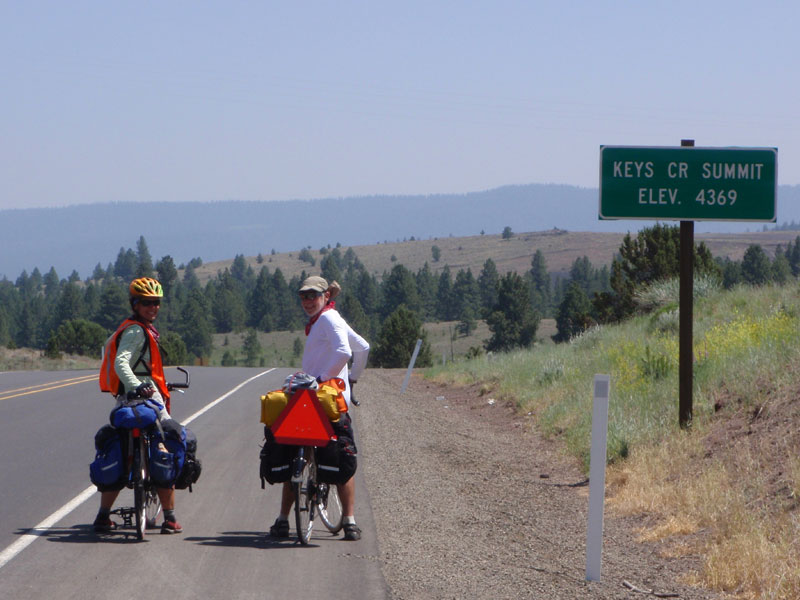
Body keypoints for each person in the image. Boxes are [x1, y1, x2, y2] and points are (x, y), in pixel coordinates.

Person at [269, 275, 370, 541]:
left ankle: (283, 520)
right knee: (335, 454)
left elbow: (344, 352)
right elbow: (363, 348)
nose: (308, 301)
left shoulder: (328, 319)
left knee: (305, 454)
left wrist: (322, 379)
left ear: (326, 296)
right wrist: (353, 380)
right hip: (325, 398)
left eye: (314, 296)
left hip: (323, 397)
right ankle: (348, 522)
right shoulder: (326, 318)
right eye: (304, 296)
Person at [93, 276, 183, 534]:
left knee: (120, 449)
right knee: (167, 442)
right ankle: (170, 517)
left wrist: (131, 386)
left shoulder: (129, 327)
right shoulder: (136, 330)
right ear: (135, 304)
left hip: (126, 399)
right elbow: (122, 362)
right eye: (146, 303)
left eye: (156, 303)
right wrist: (137, 385)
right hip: (146, 397)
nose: (152, 307)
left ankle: (102, 515)